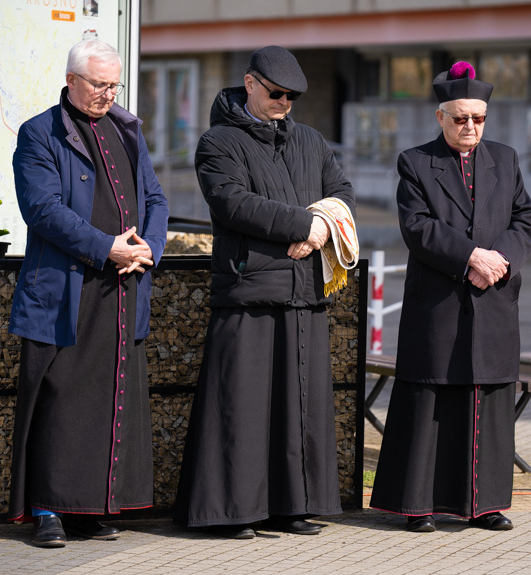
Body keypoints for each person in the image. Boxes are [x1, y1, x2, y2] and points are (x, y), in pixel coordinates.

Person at [173, 45, 356, 540]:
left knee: (299, 406)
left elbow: (342, 191)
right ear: (250, 83)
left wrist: (323, 221)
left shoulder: (312, 141)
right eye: (276, 93)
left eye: (292, 96)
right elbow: (233, 204)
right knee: (242, 407)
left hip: (303, 293)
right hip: (248, 289)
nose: (284, 102)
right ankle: (230, 512)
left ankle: (292, 507)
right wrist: (307, 225)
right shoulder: (218, 142)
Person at [7, 39, 169, 548]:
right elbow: (43, 210)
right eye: (98, 85)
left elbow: (156, 197)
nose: (107, 94)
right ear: (72, 80)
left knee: (106, 403)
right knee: (60, 402)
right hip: (66, 291)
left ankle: (88, 509)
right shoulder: (39, 132)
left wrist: (149, 251)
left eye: (114, 85)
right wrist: (107, 248)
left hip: (122, 289)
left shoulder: (127, 129)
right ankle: (48, 510)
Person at [369, 62, 531, 533]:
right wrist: (470, 258)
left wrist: (498, 259)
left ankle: (484, 505)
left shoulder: (506, 159)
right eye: (461, 118)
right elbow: (418, 227)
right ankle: (417, 505)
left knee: (487, 401)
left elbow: (523, 218)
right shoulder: (416, 162)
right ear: (441, 117)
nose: (470, 128)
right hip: (439, 302)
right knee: (431, 404)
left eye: (479, 119)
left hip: (494, 299)